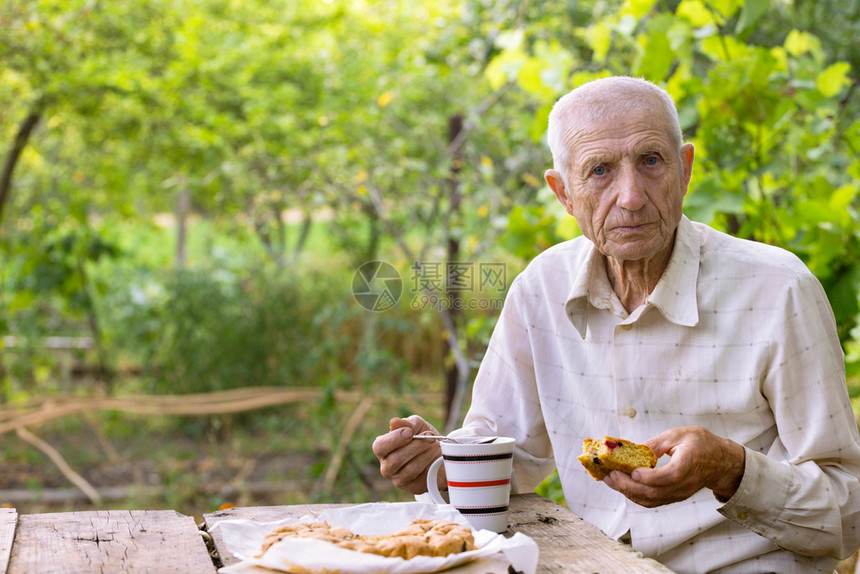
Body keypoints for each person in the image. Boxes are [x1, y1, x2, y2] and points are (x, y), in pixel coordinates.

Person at [372, 76, 860, 573]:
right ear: (563, 193)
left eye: (650, 161)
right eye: (600, 170)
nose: (630, 196)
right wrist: (438, 459)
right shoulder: (542, 287)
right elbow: (506, 456)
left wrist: (731, 469)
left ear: (684, 169)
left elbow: (850, 512)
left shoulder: (777, 290)